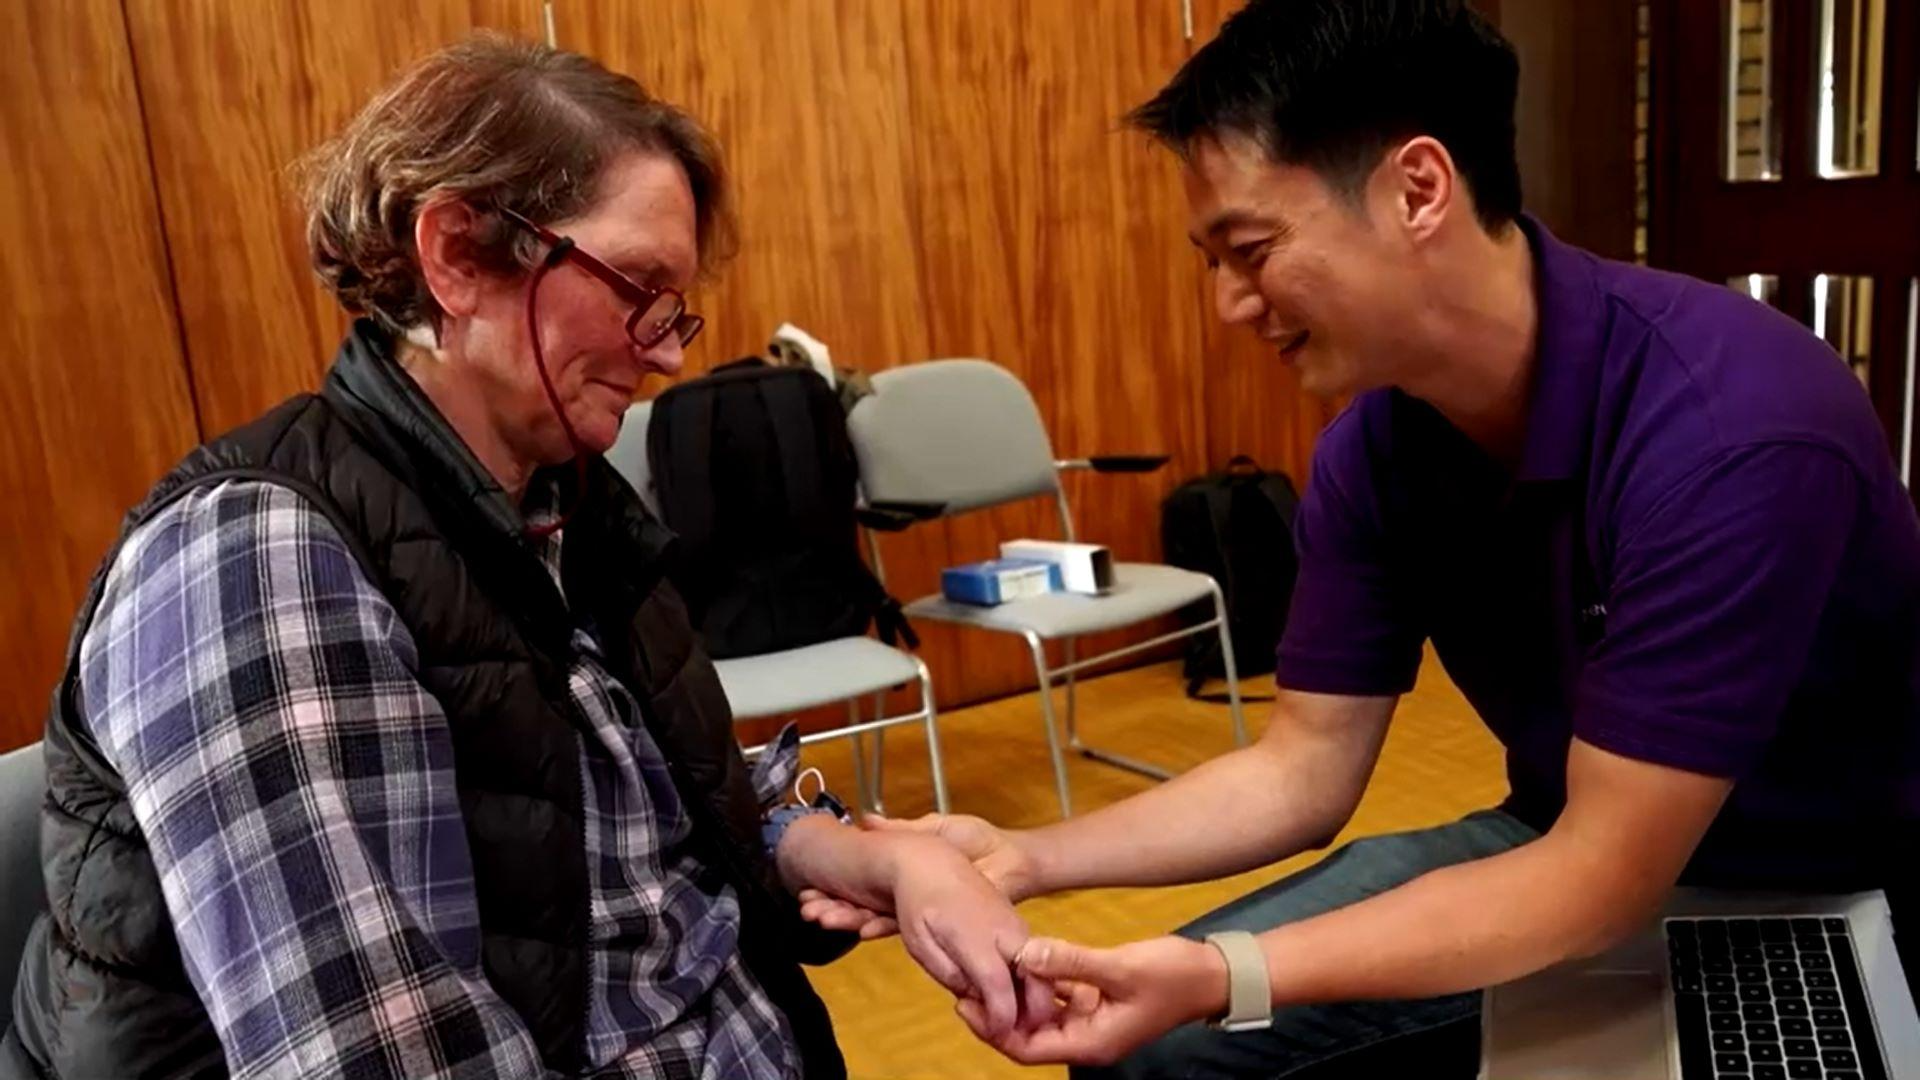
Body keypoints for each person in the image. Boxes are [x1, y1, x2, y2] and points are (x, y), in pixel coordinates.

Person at [802, 0, 1920, 1074]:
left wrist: (1223, 972)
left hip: (1813, 887)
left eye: (1251, 248)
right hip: (1564, 845)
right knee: (1157, 1052)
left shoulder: (1734, 431)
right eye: (1214, 262)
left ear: (1418, 190)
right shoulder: (1376, 449)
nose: (1232, 305)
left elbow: (1601, 884)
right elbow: (1303, 771)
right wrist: (1026, 855)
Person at [2, 35, 1041, 1080]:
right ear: (456, 253)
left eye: (675, 307)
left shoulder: (566, 506)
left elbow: (651, 816)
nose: (671, 351)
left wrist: (865, 849)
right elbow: (384, 1058)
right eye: (637, 287)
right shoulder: (259, 560)